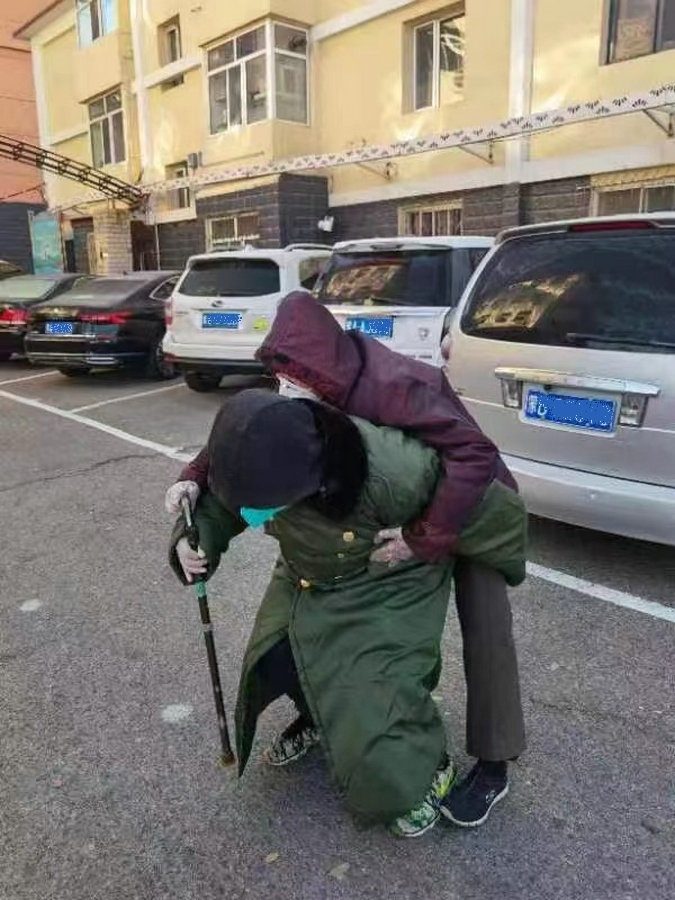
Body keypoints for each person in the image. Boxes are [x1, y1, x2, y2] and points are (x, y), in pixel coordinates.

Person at [165, 290, 527, 829]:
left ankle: (494, 765)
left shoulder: (395, 388)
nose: (285, 390)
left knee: (487, 628)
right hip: (401, 499)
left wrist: (425, 537)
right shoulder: (307, 384)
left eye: (293, 381)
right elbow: (251, 436)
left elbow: (473, 453)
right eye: (279, 379)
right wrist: (193, 478)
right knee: (304, 634)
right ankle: (324, 715)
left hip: (475, 501)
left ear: (323, 374)